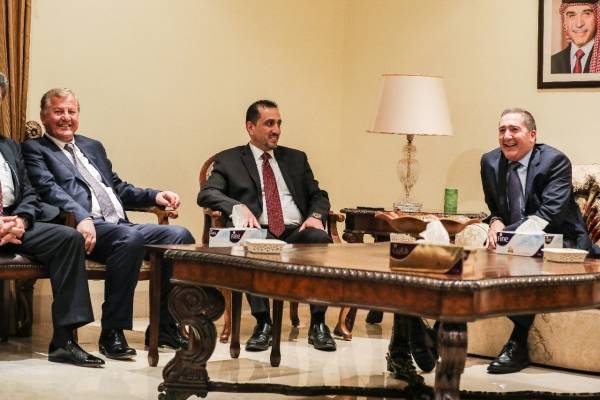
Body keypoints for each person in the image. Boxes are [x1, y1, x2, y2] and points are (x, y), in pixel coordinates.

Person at [22, 88, 195, 361]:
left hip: (119, 224)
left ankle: (164, 326)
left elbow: (117, 187)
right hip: (85, 226)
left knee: (180, 236)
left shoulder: (92, 146)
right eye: (58, 111)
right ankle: (113, 331)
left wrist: (154, 196)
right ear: (44, 117)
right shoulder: (35, 149)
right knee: (129, 239)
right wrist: (82, 216)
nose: (66, 117)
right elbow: (48, 189)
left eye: (71, 111)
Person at [197, 99, 336, 352]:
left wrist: (316, 216)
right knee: (251, 244)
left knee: (320, 240)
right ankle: (263, 323)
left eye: (279, 123)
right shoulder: (229, 160)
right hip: (260, 231)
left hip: (296, 231)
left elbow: (318, 195)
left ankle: (318, 323)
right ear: (250, 127)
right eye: (269, 124)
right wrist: (237, 207)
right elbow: (207, 194)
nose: (277, 130)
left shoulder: (296, 158)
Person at [0, 74, 102, 367]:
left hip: (12, 223)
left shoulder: (9, 147)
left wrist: (21, 220)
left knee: (67, 238)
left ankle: (64, 342)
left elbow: (29, 192)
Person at [480, 107, 592, 374]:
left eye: (514, 129)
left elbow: (548, 216)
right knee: (471, 262)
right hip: (514, 243)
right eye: (502, 130)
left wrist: (505, 236)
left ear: (532, 135)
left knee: (526, 264)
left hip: (561, 242)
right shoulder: (490, 161)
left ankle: (518, 344)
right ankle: (441, 329)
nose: (507, 136)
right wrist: (495, 221)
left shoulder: (555, 161)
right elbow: (495, 206)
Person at [551, 0, 598, 74]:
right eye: (572, 15)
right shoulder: (552, 62)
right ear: (564, 23)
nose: (579, 24)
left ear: (597, 19)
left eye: (586, 14)